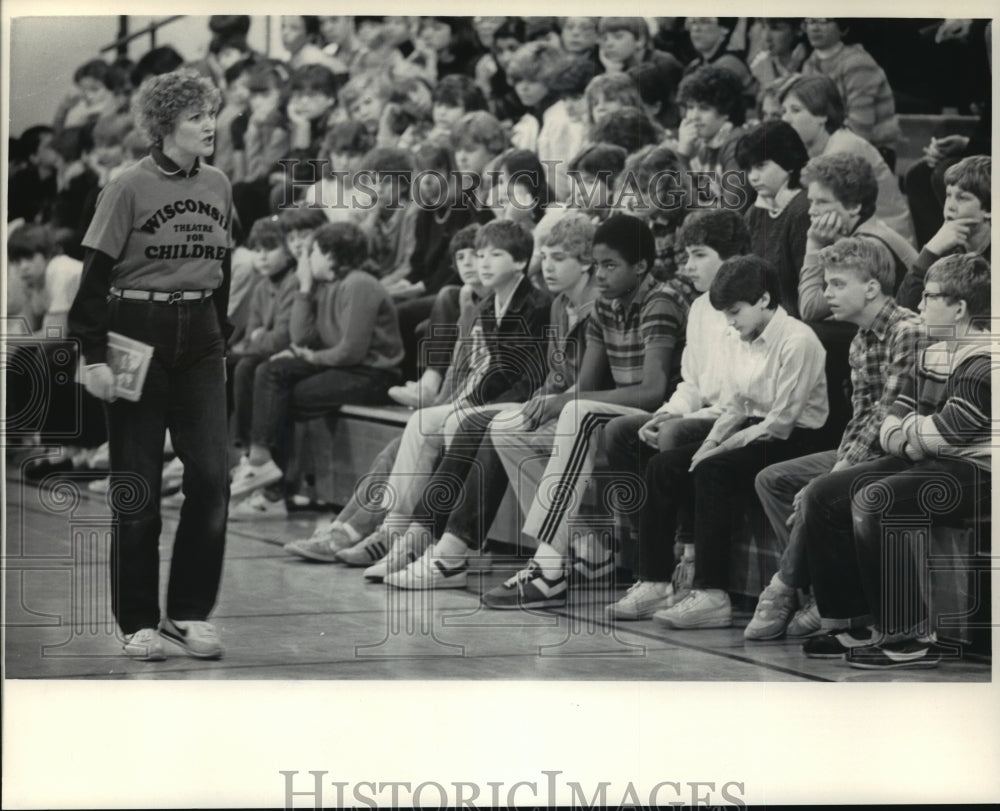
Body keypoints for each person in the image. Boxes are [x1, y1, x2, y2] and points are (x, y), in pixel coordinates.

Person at [67, 69, 234, 661]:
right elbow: (91, 284)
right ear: (165, 127)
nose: (209, 124)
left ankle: (187, 614)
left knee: (213, 481)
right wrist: (91, 356)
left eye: (211, 112)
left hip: (203, 336)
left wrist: (222, 335)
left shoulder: (219, 183)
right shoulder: (125, 187)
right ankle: (138, 620)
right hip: (136, 331)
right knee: (136, 488)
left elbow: (223, 269)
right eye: (195, 117)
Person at [479, 214, 694, 610]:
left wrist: (567, 403)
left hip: (664, 415)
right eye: (597, 266)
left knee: (578, 413)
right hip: (616, 410)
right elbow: (586, 385)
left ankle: (547, 569)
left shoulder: (660, 300)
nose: (601, 275)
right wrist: (547, 403)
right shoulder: (605, 305)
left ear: (641, 267)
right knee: (508, 427)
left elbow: (653, 390)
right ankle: (585, 549)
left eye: (611, 265)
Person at [383, 212, 601, 589]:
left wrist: (541, 400)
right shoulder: (555, 306)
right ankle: (412, 537)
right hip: (549, 402)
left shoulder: (574, 306)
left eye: (558, 259)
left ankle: (450, 549)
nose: (547, 266)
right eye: (545, 257)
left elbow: (565, 380)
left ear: (587, 264)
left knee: (480, 424)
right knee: (450, 424)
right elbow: (551, 373)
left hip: (577, 408)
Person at [613, 255, 828, 630]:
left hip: (797, 437)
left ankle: (712, 594)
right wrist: (710, 441)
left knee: (713, 470)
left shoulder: (799, 340)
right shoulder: (739, 336)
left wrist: (723, 449)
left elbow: (781, 422)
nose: (729, 322)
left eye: (734, 312)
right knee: (664, 466)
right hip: (753, 427)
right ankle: (654, 581)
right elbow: (734, 405)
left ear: (763, 299)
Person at [803, 253, 990, 667]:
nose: (920, 306)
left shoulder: (985, 359)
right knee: (825, 493)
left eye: (929, 297)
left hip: (980, 471)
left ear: (959, 307)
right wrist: (910, 438)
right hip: (933, 460)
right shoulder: (931, 352)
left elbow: (947, 434)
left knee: (878, 500)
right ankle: (855, 621)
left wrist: (910, 436)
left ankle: (909, 637)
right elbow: (894, 417)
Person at [744, 237, 924, 640]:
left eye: (838, 284)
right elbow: (862, 416)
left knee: (819, 490)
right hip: (869, 448)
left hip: (904, 451)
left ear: (873, 287)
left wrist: (841, 467)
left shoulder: (908, 330)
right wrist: (842, 459)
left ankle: (785, 586)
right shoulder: (861, 339)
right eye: (826, 284)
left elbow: (889, 413)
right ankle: (814, 590)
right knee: (772, 479)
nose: (826, 295)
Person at [229, 221, 404, 502]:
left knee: (280, 394)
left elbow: (351, 351)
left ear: (331, 255)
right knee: (270, 373)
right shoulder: (322, 285)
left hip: (373, 373)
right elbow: (302, 336)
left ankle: (271, 485)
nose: (306, 259)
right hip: (340, 364)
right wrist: (305, 289)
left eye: (313, 252)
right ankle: (261, 464)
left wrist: (309, 356)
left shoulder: (360, 284)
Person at [778, 75, 914, 245]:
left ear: (822, 115)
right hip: (853, 237)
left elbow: (822, 210)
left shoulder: (843, 148)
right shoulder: (813, 148)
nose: (786, 119)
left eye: (795, 110)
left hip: (883, 243)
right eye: (783, 111)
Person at [734, 120, 812, 317]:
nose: (753, 177)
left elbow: (806, 289)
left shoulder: (803, 209)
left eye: (761, 166)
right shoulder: (756, 210)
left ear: (788, 162)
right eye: (749, 169)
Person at [799, 18, 901, 165]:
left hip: (871, 153)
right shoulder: (809, 64)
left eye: (823, 21)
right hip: (829, 151)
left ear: (843, 28)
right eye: (810, 21)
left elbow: (861, 129)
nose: (815, 28)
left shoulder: (857, 63)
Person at [896, 156, 991, 311]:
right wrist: (930, 251)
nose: (950, 207)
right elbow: (904, 311)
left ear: (990, 210)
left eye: (962, 198)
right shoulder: (945, 247)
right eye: (948, 195)